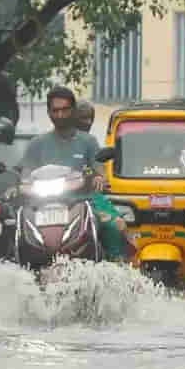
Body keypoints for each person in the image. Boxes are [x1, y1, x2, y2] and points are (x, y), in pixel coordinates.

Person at [19, 86, 128, 261]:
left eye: (64, 110)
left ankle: (119, 268)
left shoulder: (88, 141)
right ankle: (11, 268)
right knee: (13, 225)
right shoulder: (36, 144)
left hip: (82, 201)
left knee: (113, 226)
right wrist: (18, 184)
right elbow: (25, 175)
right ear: (49, 112)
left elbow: (98, 168)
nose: (60, 115)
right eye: (55, 110)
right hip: (41, 204)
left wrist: (98, 177)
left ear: (73, 110)